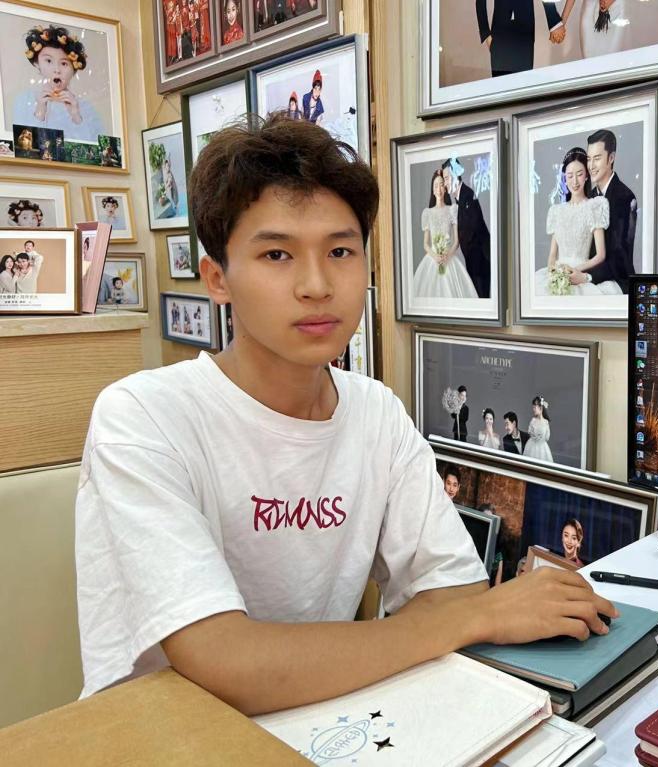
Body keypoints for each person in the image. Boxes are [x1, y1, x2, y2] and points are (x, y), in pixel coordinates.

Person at [75, 113, 618, 713]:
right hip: (170, 735)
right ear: (217, 278)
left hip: (328, 723)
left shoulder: (375, 411)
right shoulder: (143, 418)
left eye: (340, 250)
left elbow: (452, 589)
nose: (316, 284)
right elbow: (225, 662)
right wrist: (480, 616)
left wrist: (468, 613)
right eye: (276, 254)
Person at [536, 147, 618, 296]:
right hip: (558, 274)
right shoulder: (557, 211)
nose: (574, 181)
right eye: (570, 176)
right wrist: (554, 273)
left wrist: (575, 271)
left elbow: (600, 255)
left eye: (579, 174)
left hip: (579, 274)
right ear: (565, 178)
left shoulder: (594, 206)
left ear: (586, 175)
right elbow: (552, 255)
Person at [13, 25, 106, 142]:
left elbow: (96, 147)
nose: (56, 69)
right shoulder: (25, 100)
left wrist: (76, 116)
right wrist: (40, 112)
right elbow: (21, 145)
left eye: (64, 63)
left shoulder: (85, 107)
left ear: (74, 69)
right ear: (37, 63)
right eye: (48, 61)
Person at [412, 169, 478, 299]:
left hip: (449, 258)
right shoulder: (427, 213)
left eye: (441, 185)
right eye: (436, 186)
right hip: (432, 259)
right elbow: (425, 244)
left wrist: (447, 255)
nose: (439, 189)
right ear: (433, 190)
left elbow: (456, 241)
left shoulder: (452, 210)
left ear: (445, 188)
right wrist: (435, 256)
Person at [585, 129, 637, 292]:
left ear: (611, 158)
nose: (591, 166)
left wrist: (587, 277)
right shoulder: (589, 197)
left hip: (617, 281)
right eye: (588, 159)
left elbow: (620, 257)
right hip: (588, 277)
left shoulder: (625, 197)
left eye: (597, 158)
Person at [476, 0, 564, 78]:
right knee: (501, 85)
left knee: (523, 82)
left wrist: (553, 21)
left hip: (525, 34)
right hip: (500, 34)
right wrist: (486, 34)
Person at [442, 157, 490, 299]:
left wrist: (453, 244)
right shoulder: (460, 197)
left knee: (481, 298)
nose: (445, 183)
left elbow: (473, 227)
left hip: (479, 261)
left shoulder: (468, 195)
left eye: (446, 178)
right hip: (473, 260)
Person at [560, 0, 628, 59]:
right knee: (589, 57)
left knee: (612, 57)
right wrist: (561, 23)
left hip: (615, 9)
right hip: (590, 11)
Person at [522, 396, 553, 463]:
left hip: (542, 447)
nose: (533, 409)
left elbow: (547, 437)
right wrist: (535, 436)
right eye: (533, 407)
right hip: (532, 445)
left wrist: (541, 437)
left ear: (540, 408)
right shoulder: (533, 420)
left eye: (534, 407)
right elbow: (530, 432)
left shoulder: (546, 422)